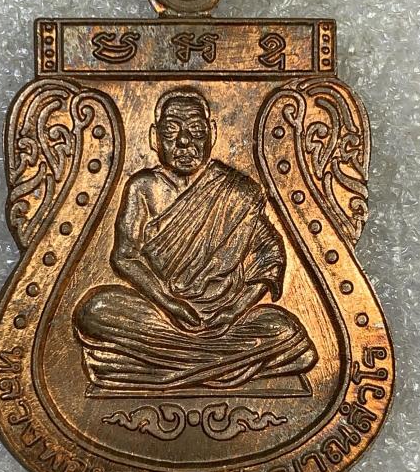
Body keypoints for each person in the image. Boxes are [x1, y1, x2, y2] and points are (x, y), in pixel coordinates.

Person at [74, 88, 317, 392]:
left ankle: (143, 366)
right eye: (171, 131)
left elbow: (269, 256)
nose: (184, 142)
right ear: (154, 137)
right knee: (94, 309)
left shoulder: (236, 191)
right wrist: (169, 303)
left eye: (196, 131)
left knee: (283, 327)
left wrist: (234, 311)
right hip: (161, 312)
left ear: (212, 133)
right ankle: (229, 362)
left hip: (225, 318)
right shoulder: (143, 187)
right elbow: (125, 256)